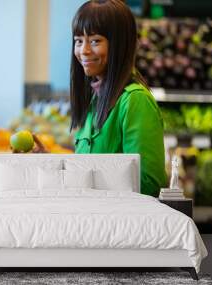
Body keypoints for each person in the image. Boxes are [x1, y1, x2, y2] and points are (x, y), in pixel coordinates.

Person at [69, 0, 167, 196]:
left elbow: (149, 184)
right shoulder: (95, 99)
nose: (84, 50)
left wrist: (88, 183)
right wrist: (46, 160)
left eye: (95, 41)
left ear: (119, 45)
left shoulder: (134, 101)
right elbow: (86, 163)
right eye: (79, 40)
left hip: (121, 222)